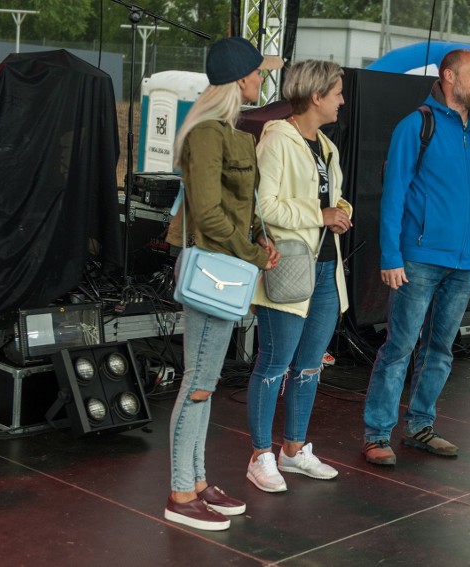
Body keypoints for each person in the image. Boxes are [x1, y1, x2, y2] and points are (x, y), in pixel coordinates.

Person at [362, 49, 470, 466]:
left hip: (465, 262)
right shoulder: (417, 125)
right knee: (399, 348)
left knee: (441, 350)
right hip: (417, 259)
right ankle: (377, 434)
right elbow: (393, 195)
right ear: (448, 76)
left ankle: (419, 426)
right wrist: (391, 255)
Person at [164, 37, 283, 530]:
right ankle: (179, 491)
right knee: (197, 383)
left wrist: (261, 240)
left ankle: (194, 482)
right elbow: (210, 215)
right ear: (240, 80)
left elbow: (235, 208)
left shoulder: (227, 132)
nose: (262, 79)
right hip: (217, 268)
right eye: (258, 73)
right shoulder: (208, 135)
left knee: (204, 385)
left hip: (226, 267)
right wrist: (255, 252)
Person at [244, 60, 353, 492]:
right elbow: (263, 206)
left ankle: (293, 450)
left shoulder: (326, 145)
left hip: (326, 268)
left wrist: (342, 212)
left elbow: (334, 198)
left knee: (309, 367)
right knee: (274, 363)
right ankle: (259, 455)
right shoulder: (277, 140)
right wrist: (320, 214)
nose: (343, 100)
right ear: (316, 95)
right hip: (288, 267)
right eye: (338, 93)